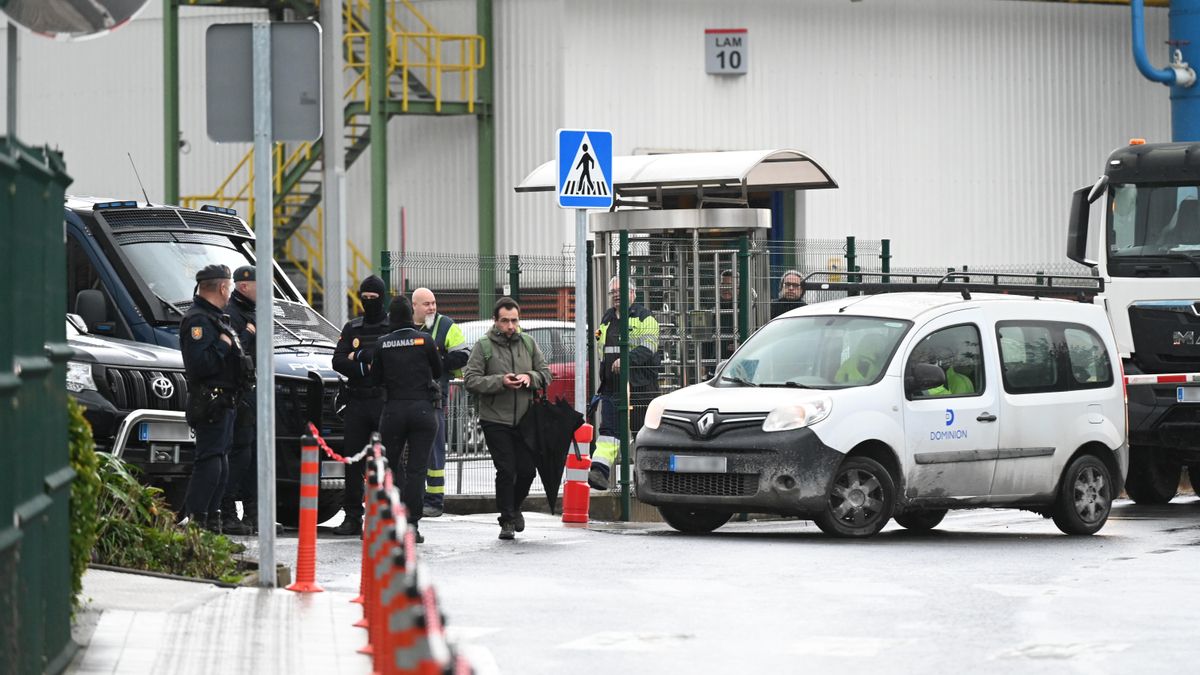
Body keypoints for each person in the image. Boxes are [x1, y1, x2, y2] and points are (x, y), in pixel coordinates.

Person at [462, 297, 552, 540]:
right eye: (505, 321)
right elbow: (470, 380)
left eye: (514, 320)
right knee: (506, 469)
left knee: (527, 471)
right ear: (496, 321)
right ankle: (507, 520)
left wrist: (529, 378)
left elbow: (546, 374)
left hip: (524, 419)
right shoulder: (484, 346)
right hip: (495, 419)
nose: (511, 326)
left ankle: (514, 506)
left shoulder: (528, 343)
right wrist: (500, 381)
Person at [180, 264, 252, 532]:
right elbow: (200, 365)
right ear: (223, 287)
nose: (230, 292)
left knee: (221, 461)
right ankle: (198, 523)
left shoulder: (217, 318)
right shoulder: (198, 320)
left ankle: (212, 522)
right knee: (210, 461)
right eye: (229, 287)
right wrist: (223, 344)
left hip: (226, 401)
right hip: (210, 401)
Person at [366, 296, 442, 543]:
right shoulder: (425, 340)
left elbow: (375, 379)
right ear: (410, 315)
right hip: (422, 410)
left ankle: (393, 517)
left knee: (391, 466)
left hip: (394, 411)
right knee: (418, 468)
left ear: (391, 317)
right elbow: (438, 370)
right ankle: (412, 523)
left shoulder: (382, 344)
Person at [330, 275, 390, 536]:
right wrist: (368, 366)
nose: (368, 303)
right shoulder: (353, 327)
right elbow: (338, 361)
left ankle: (385, 515)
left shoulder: (392, 327)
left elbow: (389, 361)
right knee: (353, 461)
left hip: (383, 401)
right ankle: (353, 516)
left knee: (386, 460)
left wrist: (360, 361)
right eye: (364, 299)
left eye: (373, 299)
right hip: (356, 401)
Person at [588, 277, 660, 491]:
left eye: (622, 290)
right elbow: (602, 351)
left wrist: (626, 360)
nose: (617, 294)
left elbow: (649, 346)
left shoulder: (644, 317)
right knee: (609, 432)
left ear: (633, 293)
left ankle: (644, 481)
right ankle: (599, 472)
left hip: (640, 387)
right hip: (612, 387)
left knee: (641, 433)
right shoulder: (607, 319)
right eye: (613, 292)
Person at [411, 287, 470, 518]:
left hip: (434, 398)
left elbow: (462, 354)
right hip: (406, 397)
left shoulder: (446, 326)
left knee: (434, 450)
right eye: (427, 304)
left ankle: (434, 501)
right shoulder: (402, 326)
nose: (432, 308)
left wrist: (435, 361)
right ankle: (411, 497)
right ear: (414, 305)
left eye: (434, 303)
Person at [216, 265, 257, 535]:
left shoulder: (253, 312)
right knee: (238, 453)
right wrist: (248, 335)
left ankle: (254, 514)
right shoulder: (231, 315)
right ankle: (228, 512)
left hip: (253, 391)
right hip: (239, 393)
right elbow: (231, 353)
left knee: (251, 456)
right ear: (243, 286)